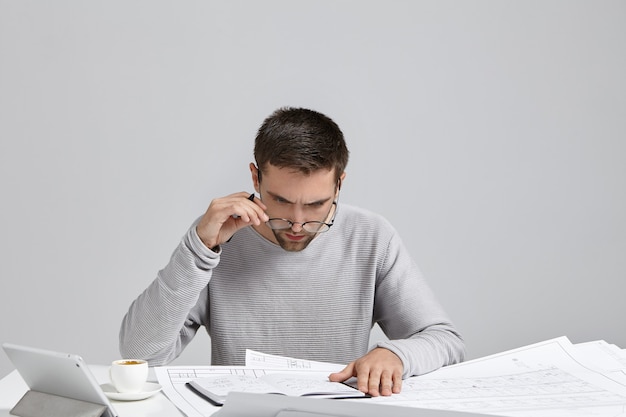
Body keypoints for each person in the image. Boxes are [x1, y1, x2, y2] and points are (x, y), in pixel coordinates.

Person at [119, 107, 465, 397]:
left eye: (316, 205)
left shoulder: (371, 236)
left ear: (339, 184)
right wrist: (198, 249)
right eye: (281, 201)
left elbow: (444, 341)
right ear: (255, 179)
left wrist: (397, 355)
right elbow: (140, 355)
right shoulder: (217, 235)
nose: (298, 223)